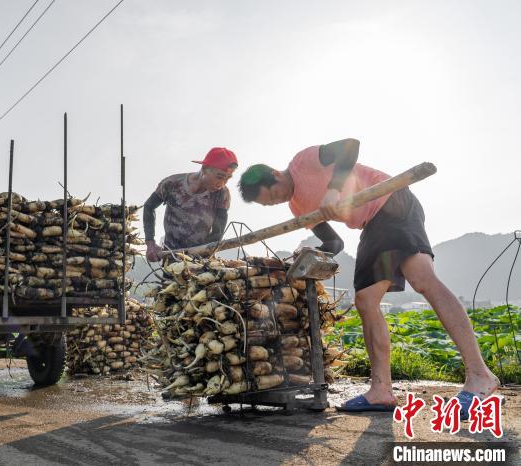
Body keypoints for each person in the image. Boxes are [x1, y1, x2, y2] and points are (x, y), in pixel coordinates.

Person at [238, 138, 498, 414]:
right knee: (368, 299)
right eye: (269, 204)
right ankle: (381, 390)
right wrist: (303, 255)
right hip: (373, 224)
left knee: (420, 281)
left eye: (272, 195)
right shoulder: (297, 208)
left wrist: (333, 191)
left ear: (275, 176)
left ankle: (478, 374)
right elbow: (334, 245)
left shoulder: (303, 162)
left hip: (390, 200)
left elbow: (350, 146)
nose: (276, 202)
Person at [143, 147, 238, 262]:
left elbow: (217, 233)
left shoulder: (222, 194)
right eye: (220, 177)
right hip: (172, 256)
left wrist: (202, 258)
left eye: (227, 179)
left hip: (201, 260)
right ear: (204, 169)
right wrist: (150, 243)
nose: (222, 184)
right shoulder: (172, 184)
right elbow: (149, 206)